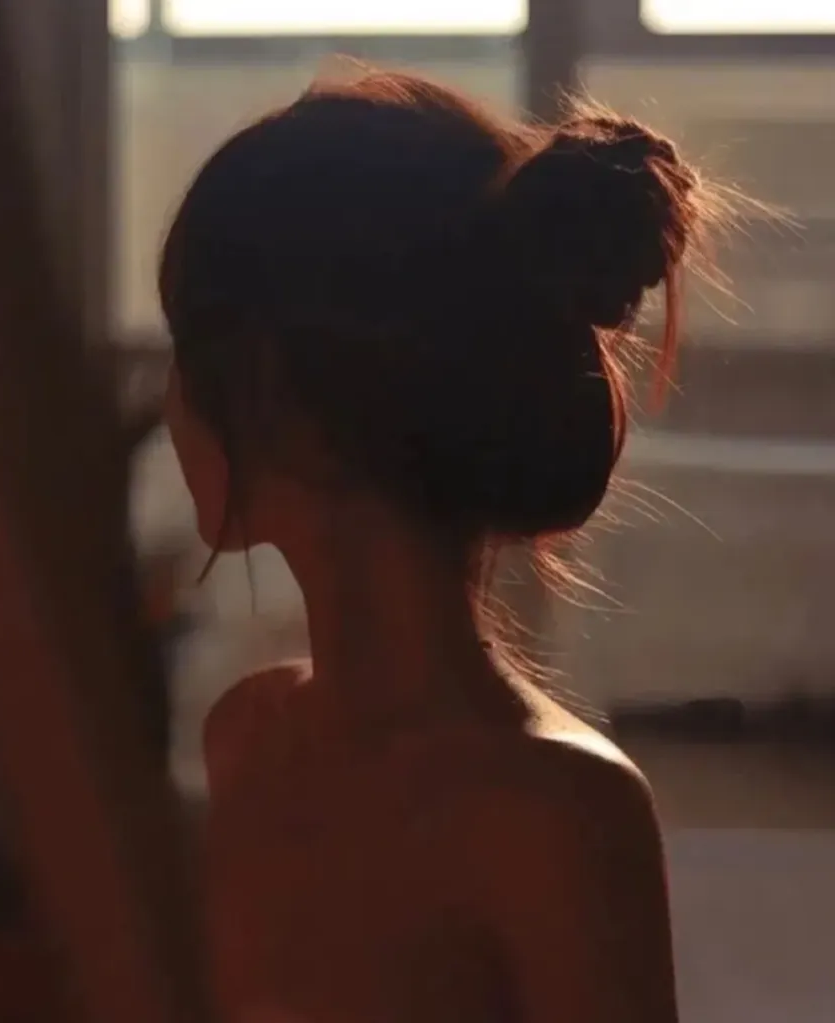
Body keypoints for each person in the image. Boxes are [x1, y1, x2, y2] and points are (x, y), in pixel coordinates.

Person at [158, 69, 723, 1023]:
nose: (169, 400)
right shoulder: (245, 736)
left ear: (283, 396)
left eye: (187, 349)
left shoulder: (560, 817)